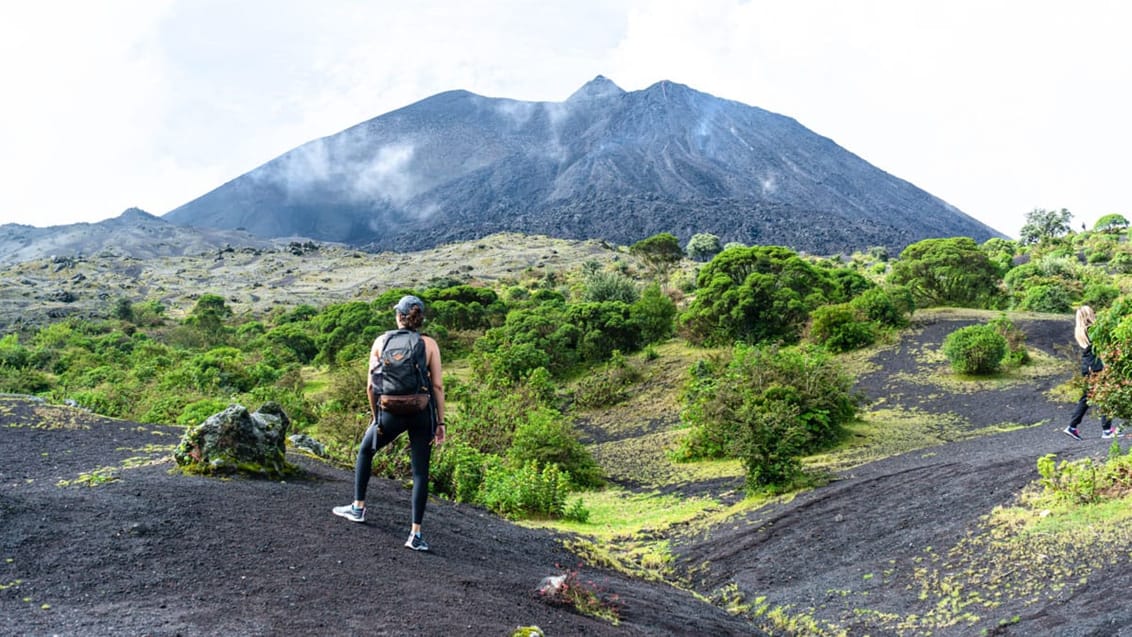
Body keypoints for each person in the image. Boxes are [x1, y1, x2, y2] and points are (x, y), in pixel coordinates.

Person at [333, 295, 446, 551]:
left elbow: (371, 385)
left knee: (365, 451)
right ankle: (415, 535)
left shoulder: (381, 341)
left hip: (389, 411)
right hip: (420, 411)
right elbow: (437, 385)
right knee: (420, 472)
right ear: (419, 318)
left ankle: (358, 507)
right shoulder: (429, 344)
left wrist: (376, 418)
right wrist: (440, 423)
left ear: (399, 316)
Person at [1063, 305, 1119, 440]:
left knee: (1087, 397)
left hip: (1087, 366)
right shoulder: (1092, 329)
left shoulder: (1080, 331)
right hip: (1095, 366)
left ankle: (1072, 426)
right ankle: (1106, 430)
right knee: (1106, 395)